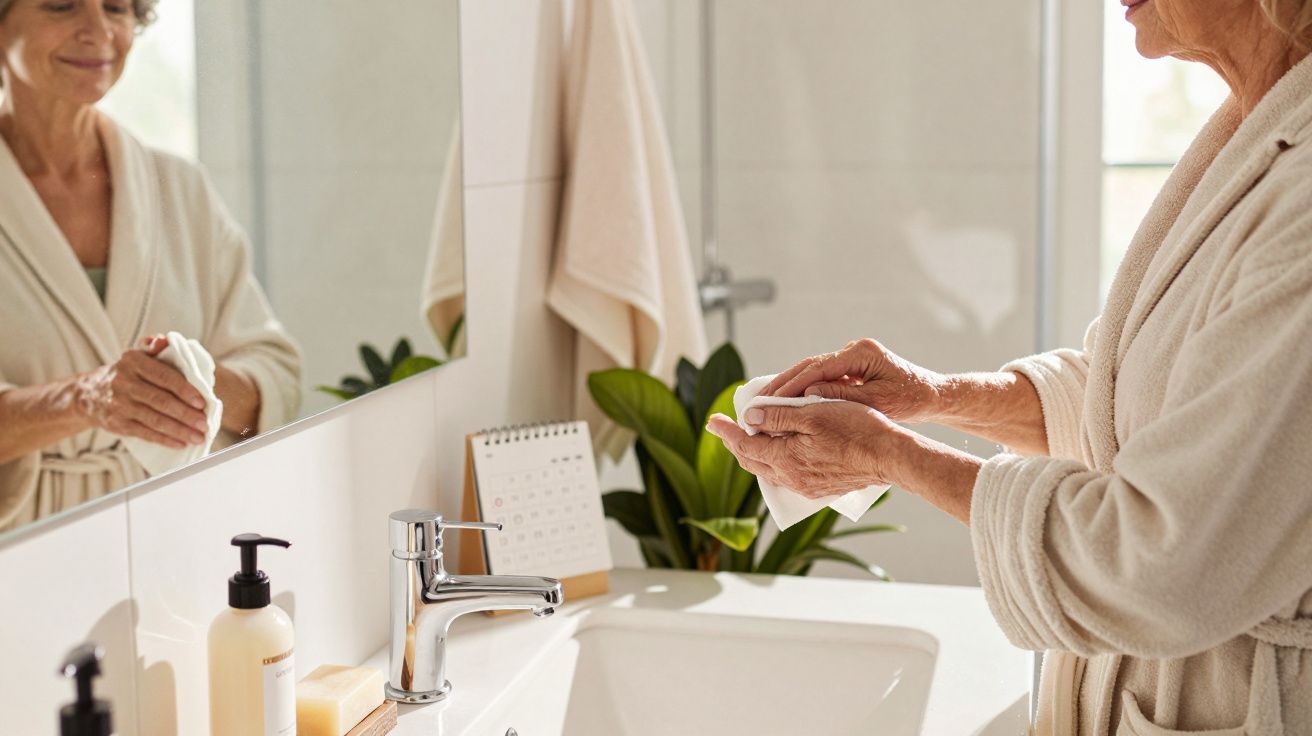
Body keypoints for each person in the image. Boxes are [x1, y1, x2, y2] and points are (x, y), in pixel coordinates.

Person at [708, 0, 1312, 733]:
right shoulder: (1252, 130)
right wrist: (932, 395)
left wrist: (890, 456)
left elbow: (1169, 563)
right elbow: (1129, 401)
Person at [0, 0, 301, 532]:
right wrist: (85, 400)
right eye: (62, 5)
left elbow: (277, 377)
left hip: (176, 527)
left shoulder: (180, 189)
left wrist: (189, 380)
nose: (99, 31)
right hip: (22, 543)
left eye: (117, 8)